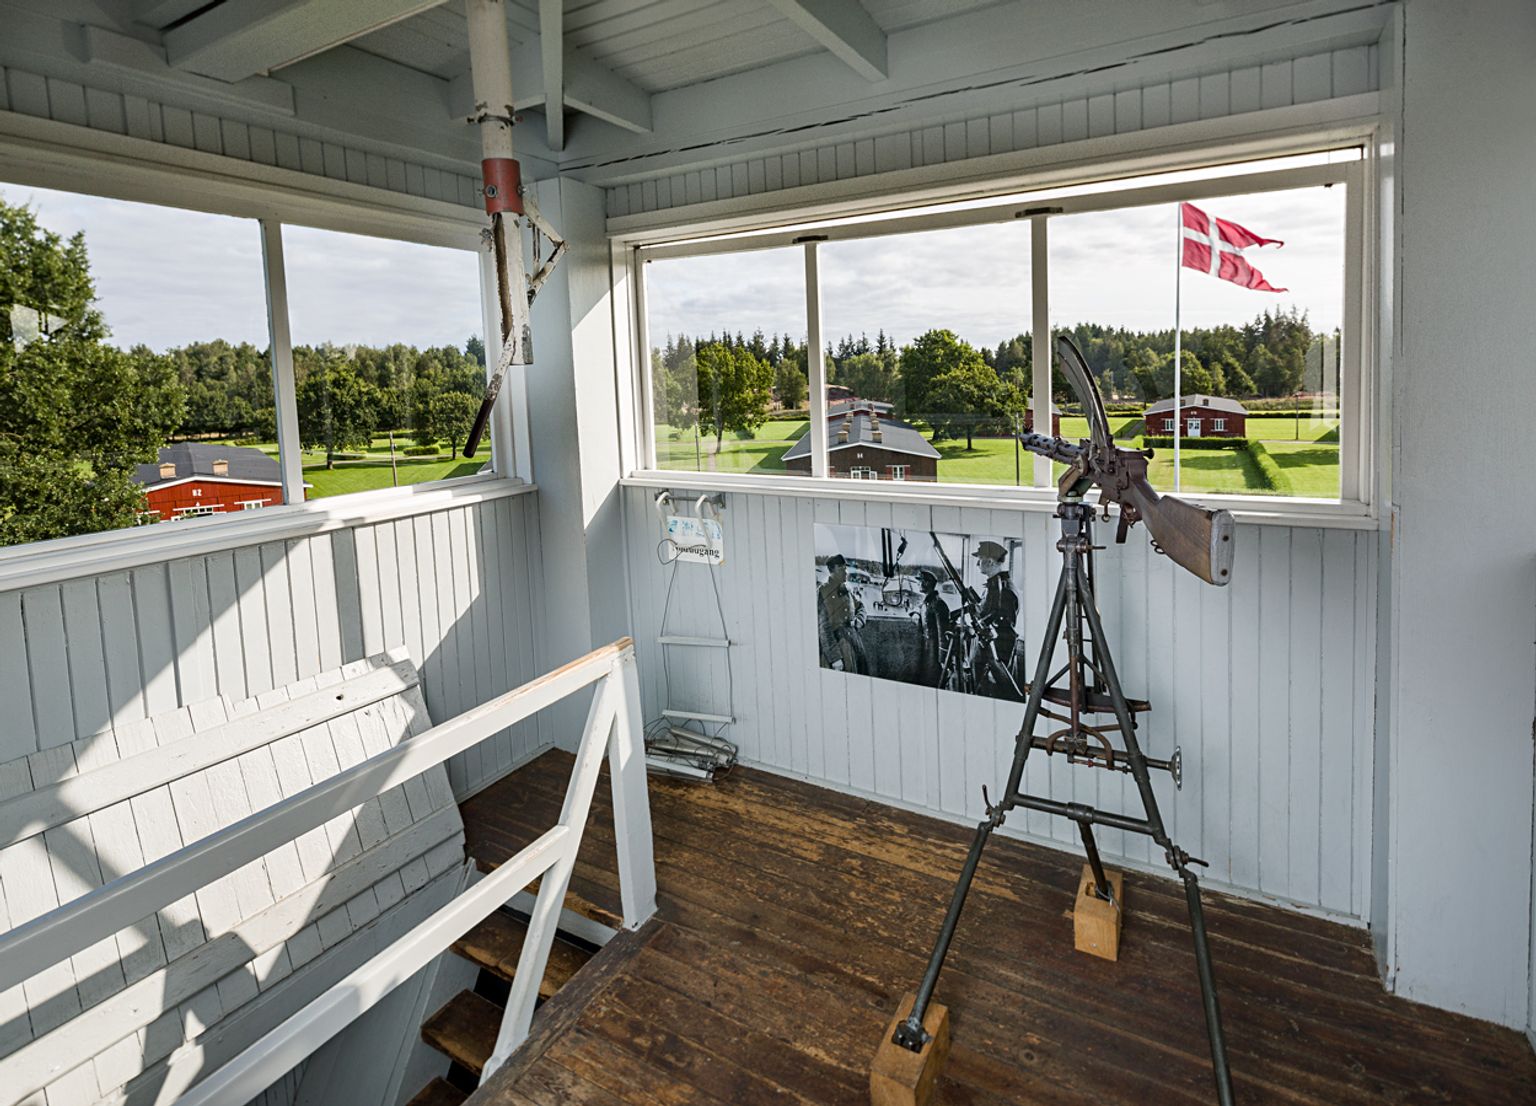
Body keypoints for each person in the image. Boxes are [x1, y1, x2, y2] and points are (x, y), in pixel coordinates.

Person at [971, 539, 1021, 699]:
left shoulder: (1004, 590)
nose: (977, 565)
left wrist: (996, 664)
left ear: (991, 561)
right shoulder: (994, 586)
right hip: (988, 650)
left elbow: (1003, 631)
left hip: (996, 653)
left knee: (994, 692)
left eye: (979, 559)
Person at [817, 553, 869, 674]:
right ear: (832, 571)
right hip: (838, 647)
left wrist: (859, 621)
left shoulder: (846, 590)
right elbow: (824, 628)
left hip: (853, 643)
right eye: (842, 569)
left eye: (845, 569)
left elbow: (861, 607)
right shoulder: (823, 592)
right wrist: (835, 658)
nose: (846, 572)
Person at [916, 568, 953, 687]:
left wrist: (943, 659)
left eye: (920, 581)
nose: (918, 584)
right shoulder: (926, 602)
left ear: (927, 583)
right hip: (927, 647)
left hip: (934, 650)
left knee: (932, 678)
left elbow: (943, 632)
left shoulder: (938, 604)